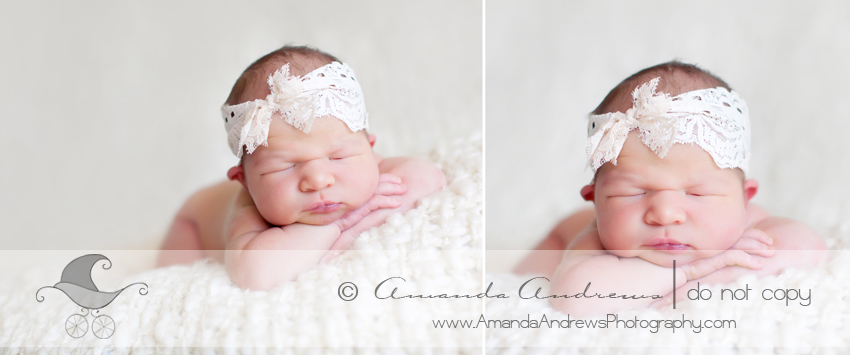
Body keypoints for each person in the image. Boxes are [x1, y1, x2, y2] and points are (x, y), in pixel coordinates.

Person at [514, 62, 827, 316]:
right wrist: (689, 274)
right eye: (631, 193)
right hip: (558, 239)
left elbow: (810, 247)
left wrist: (717, 275)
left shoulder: (747, 225)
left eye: (697, 193)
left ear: (744, 199)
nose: (665, 213)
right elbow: (573, 299)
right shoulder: (594, 239)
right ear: (595, 201)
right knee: (523, 281)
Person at [156, 46, 446, 291]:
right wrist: (340, 225)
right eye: (285, 167)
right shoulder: (247, 211)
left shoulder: (367, 167)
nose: (318, 179)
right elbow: (255, 274)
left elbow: (429, 178)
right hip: (193, 222)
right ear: (245, 183)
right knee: (170, 285)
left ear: (370, 148)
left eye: (338, 157)